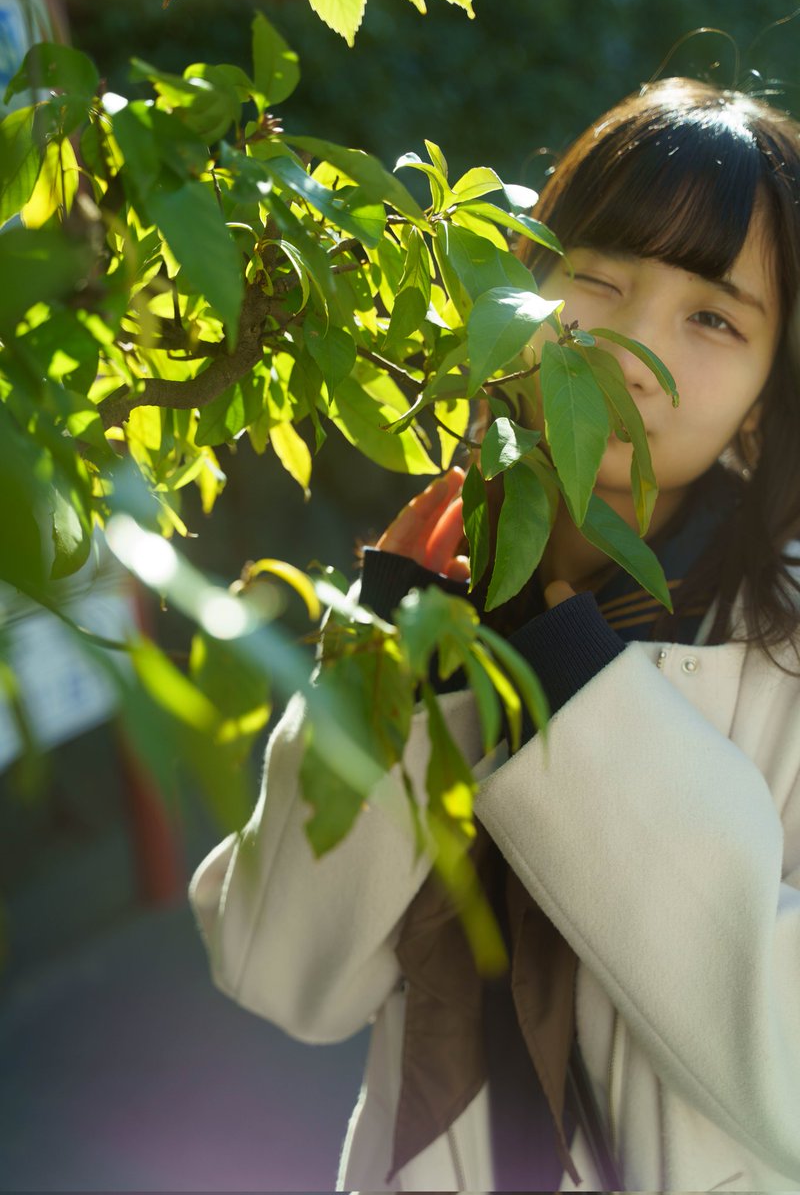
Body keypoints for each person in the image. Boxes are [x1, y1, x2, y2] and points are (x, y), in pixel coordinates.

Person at [188, 77, 800, 1192]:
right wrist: (382, 649)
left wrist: (576, 692)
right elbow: (278, 973)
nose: (627, 348)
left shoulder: (783, 660)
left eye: (711, 317)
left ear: (765, 395)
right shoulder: (426, 595)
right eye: (598, 277)